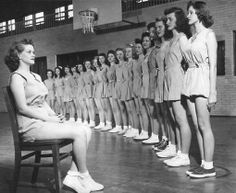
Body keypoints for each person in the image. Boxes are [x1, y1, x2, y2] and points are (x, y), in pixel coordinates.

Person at [4, 39, 104, 193]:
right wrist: (48, 119)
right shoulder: (16, 77)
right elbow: (22, 108)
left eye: (33, 51)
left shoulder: (36, 76)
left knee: (85, 128)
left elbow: (43, 102)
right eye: (29, 52)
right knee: (78, 132)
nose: (33, 54)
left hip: (44, 121)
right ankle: (84, 176)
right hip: (31, 126)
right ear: (18, 55)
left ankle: (72, 175)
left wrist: (54, 115)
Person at [183, 1, 217, 178]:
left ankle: (209, 167)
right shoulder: (191, 38)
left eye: (190, 12)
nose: (187, 15)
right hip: (190, 79)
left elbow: (213, 65)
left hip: (203, 80)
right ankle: (204, 163)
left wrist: (213, 91)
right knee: (196, 125)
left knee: (204, 125)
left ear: (199, 14)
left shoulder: (208, 35)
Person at [156, 7, 192, 168]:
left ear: (178, 20)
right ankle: (178, 151)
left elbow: (191, 62)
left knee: (181, 120)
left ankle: (185, 156)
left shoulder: (183, 38)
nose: (167, 22)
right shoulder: (172, 40)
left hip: (176, 78)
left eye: (170, 19)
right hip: (169, 80)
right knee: (174, 120)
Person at [152, 16, 173, 152]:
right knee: (164, 114)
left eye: (160, 27)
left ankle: (173, 144)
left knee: (170, 115)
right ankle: (166, 139)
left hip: (167, 80)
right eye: (156, 28)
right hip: (160, 80)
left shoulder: (170, 43)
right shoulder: (161, 45)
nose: (157, 30)